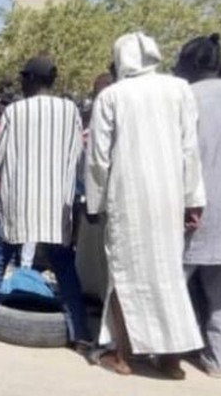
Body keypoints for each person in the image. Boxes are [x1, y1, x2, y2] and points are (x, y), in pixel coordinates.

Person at [86, 32, 205, 379]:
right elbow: (189, 149)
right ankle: (170, 360)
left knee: (126, 274)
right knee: (167, 273)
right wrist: (192, 199)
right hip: (169, 197)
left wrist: (95, 201)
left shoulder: (112, 96)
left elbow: (98, 160)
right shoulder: (179, 89)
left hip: (127, 197)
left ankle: (122, 356)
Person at [0, 57, 92, 350]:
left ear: (31, 79)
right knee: (64, 267)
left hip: (17, 202)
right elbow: (78, 156)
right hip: (55, 204)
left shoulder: (14, 111)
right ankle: (80, 333)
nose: (21, 82)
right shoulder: (70, 109)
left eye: (23, 77)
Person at [174, 33, 221, 378]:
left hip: (195, 210)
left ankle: (165, 353)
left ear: (191, 65)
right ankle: (218, 360)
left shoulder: (186, 98)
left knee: (173, 284)